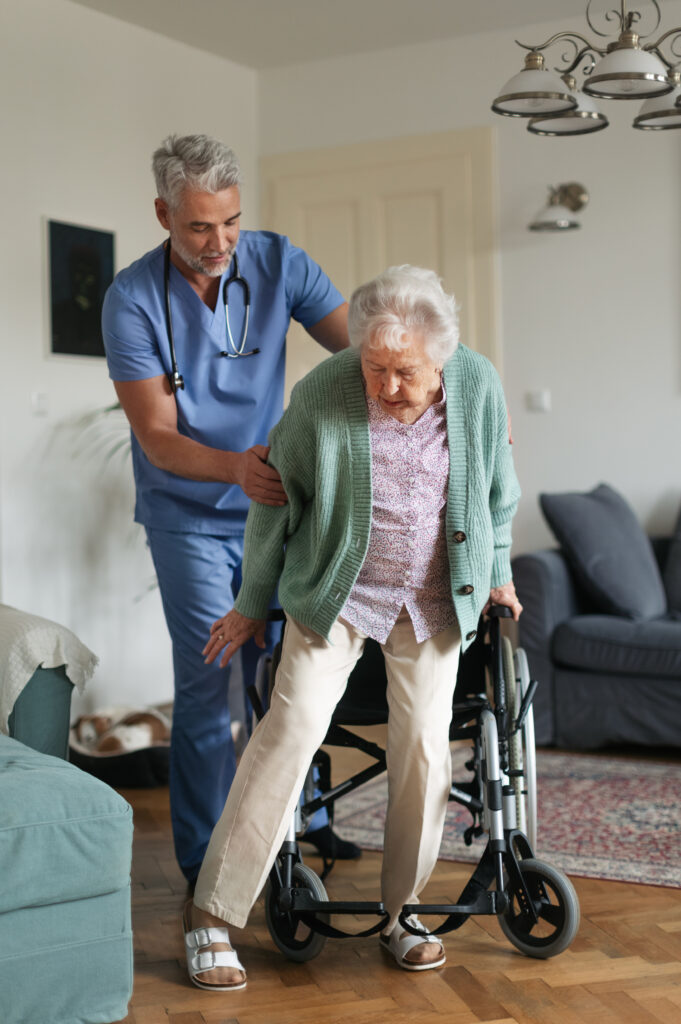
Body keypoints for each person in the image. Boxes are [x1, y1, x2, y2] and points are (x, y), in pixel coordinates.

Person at [181, 265, 522, 991]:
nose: (386, 386)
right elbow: (274, 499)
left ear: (441, 358)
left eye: (404, 371)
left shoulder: (478, 385)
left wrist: (499, 572)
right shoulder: (323, 393)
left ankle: (405, 916)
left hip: (434, 603)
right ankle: (210, 915)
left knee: (427, 751)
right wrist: (251, 603)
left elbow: (497, 491)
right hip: (335, 597)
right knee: (291, 728)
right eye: (374, 367)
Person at [101, 133, 358, 887]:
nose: (219, 244)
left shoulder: (280, 262)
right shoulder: (133, 299)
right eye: (198, 227)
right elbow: (154, 435)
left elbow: (362, 352)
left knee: (290, 671)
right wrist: (235, 469)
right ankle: (204, 857)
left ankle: (304, 822)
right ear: (162, 214)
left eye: (230, 222)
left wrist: (459, 388)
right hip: (188, 514)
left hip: (276, 511)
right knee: (212, 681)